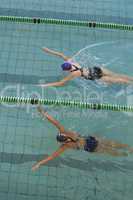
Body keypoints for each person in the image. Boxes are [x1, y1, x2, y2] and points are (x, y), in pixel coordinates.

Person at [32, 105, 133, 171]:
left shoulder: (65, 146)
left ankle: (126, 153)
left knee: (110, 151)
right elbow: (54, 122)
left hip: (91, 146)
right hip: (91, 141)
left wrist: (39, 164)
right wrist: (43, 113)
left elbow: (52, 156)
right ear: (64, 136)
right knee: (113, 145)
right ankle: (128, 150)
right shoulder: (67, 134)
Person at [38, 47, 133, 87]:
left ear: (66, 70)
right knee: (117, 75)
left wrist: (45, 85)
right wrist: (48, 51)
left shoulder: (74, 74)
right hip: (97, 69)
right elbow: (60, 55)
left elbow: (61, 83)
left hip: (96, 76)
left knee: (120, 81)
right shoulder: (72, 62)